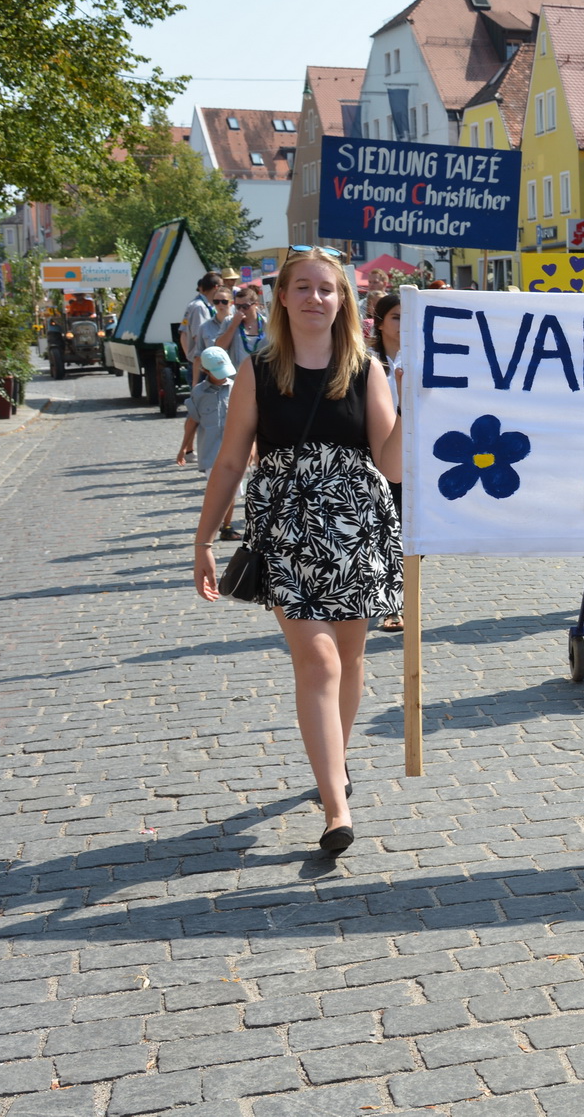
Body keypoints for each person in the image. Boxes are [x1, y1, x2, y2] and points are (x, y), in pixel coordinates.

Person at [192, 248, 403, 855]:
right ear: (282, 298)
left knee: (351, 660)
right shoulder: (259, 370)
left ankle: (335, 757)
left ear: (343, 301)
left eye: (327, 289)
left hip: (357, 528)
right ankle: (336, 806)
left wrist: (416, 413)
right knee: (319, 661)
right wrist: (204, 540)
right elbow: (230, 461)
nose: (315, 297)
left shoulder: (367, 369)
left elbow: (390, 465)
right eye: (303, 287)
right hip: (287, 531)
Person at [370, 292, 406, 632]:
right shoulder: (367, 363)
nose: (403, 323)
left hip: (415, 457)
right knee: (388, 531)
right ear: (380, 323)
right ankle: (393, 604)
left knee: (409, 533)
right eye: (396, 316)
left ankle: (398, 592)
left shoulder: (422, 356)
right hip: (377, 456)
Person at [177, 283, 234, 464]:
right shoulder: (205, 327)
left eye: (224, 301)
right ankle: (190, 449)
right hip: (210, 376)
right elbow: (197, 356)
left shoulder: (238, 324)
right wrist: (195, 382)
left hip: (233, 377)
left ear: (231, 302)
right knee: (197, 413)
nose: (220, 305)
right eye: (216, 301)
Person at [191, 347, 242, 539]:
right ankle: (213, 527)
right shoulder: (199, 392)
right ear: (205, 370)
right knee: (217, 492)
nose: (223, 377)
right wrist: (185, 448)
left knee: (233, 491)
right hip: (211, 451)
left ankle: (226, 527)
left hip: (234, 450)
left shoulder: (236, 388)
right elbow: (192, 421)